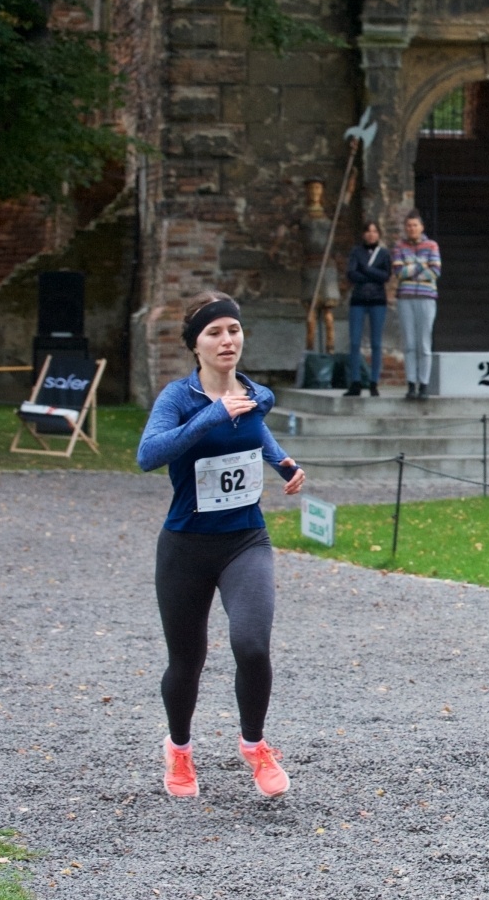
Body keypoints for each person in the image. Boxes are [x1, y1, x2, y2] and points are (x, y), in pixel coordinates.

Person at [137, 291, 305, 800]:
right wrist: (211, 415)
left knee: (251, 644)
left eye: (233, 330)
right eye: (214, 332)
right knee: (186, 661)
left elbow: (256, 433)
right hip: (186, 546)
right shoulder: (177, 399)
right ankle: (180, 751)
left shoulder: (258, 395)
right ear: (195, 345)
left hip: (245, 541)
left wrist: (283, 463)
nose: (227, 340)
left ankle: (254, 746)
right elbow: (148, 455)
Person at [391, 211, 441, 400]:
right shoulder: (399, 246)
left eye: (415, 225)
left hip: (426, 298)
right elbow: (398, 272)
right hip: (405, 298)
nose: (412, 229)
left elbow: (435, 271)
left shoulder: (432, 245)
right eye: (409, 225)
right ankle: (411, 384)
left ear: (421, 227)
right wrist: (421, 265)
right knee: (410, 343)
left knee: (424, 343)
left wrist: (411, 269)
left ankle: (424, 385)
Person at [344, 221, 391, 397]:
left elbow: (385, 276)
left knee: (376, 343)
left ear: (378, 234)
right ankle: (355, 381)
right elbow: (352, 273)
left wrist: (366, 269)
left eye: (374, 231)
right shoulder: (356, 252)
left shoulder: (384, 254)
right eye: (368, 231)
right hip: (358, 300)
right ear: (364, 234)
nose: (371, 234)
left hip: (378, 300)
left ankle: (374, 382)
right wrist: (372, 273)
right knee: (355, 342)